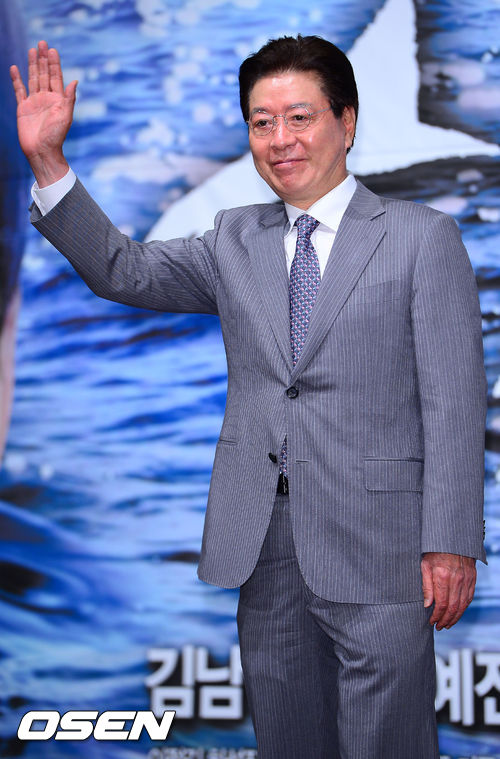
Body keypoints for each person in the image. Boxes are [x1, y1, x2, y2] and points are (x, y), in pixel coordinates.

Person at [10, 35, 487, 759]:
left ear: (346, 122)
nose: (279, 139)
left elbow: (454, 402)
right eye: (262, 123)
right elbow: (121, 270)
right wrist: (50, 162)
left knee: (386, 743)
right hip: (263, 541)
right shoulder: (234, 239)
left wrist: (449, 541)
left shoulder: (423, 238)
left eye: (299, 117)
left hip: (382, 543)